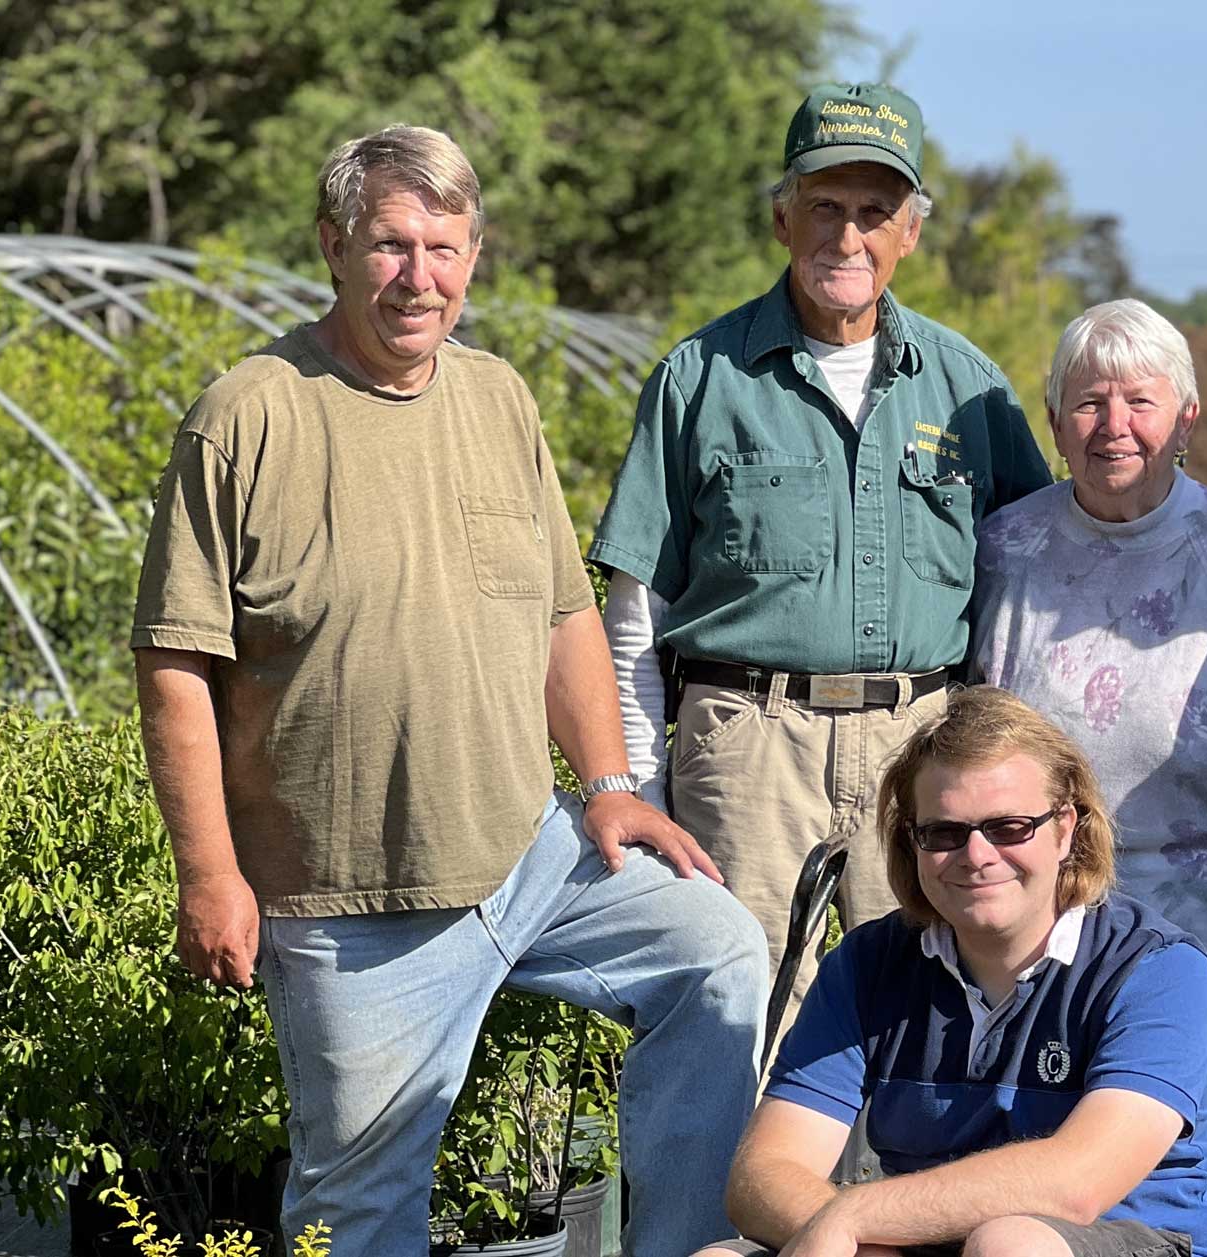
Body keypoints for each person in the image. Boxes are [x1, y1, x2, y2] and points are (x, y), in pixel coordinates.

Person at [130, 125, 768, 1257]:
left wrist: (611, 781)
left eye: (445, 247)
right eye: (389, 245)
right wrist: (210, 872)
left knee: (713, 951)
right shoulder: (249, 415)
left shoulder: (496, 399)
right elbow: (176, 661)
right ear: (334, 247)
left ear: (475, 257)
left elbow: (565, 612)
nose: (418, 277)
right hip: (351, 903)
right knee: (362, 1208)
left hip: (530, 855)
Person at [589, 82, 1207, 1030]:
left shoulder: (967, 389)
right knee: (740, 1024)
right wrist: (638, 791)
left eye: (874, 212)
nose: (847, 238)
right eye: (824, 207)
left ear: (911, 233)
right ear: (781, 218)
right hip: (750, 748)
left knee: (930, 1022)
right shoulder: (701, 378)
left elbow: (1084, 524)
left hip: (923, 749)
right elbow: (635, 609)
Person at [969, 298, 1207, 1256]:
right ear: (1053, 421)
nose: (1114, 425)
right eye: (1088, 402)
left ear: (1188, 418)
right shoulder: (1004, 550)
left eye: (1141, 399)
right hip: (1031, 946)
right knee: (1034, 1197)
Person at [698, 685, 1207, 1257]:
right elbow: (764, 1175)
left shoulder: (1157, 969)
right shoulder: (867, 963)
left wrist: (856, 1217)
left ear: (1066, 828)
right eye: (944, 833)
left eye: (1008, 828)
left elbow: (1078, 1184)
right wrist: (865, 1240)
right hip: (924, 1241)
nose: (976, 855)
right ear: (913, 842)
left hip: (1124, 1240)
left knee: (1010, 1245)